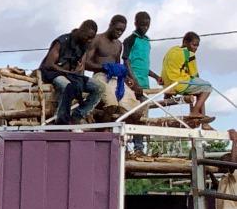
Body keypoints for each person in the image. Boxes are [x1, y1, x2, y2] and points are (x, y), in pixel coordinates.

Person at [39, 20, 103, 125]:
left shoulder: (84, 45)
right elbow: (49, 64)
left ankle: (78, 115)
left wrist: (79, 72)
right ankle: (61, 121)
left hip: (72, 75)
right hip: (53, 73)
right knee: (67, 86)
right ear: (81, 31)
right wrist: (67, 72)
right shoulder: (62, 41)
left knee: (99, 87)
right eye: (88, 37)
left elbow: (81, 65)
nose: (90, 40)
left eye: (92, 38)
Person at [85, 15, 143, 120]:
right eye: (118, 29)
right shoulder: (97, 39)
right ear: (111, 25)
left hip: (116, 79)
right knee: (111, 104)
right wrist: (105, 68)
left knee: (135, 109)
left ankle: (122, 132)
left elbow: (118, 67)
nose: (120, 33)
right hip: (100, 76)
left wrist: (127, 79)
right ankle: (104, 130)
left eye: (122, 31)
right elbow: (86, 63)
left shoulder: (119, 45)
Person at [122, 11, 162, 154]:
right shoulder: (130, 40)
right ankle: (124, 148)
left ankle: (139, 148)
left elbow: (143, 65)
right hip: (131, 86)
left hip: (145, 86)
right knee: (127, 115)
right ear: (136, 24)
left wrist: (156, 77)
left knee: (142, 118)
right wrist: (134, 81)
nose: (145, 27)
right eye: (143, 25)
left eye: (147, 25)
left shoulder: (147, 41)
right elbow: (126, 61)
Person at [161, 31, 213, 117]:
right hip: (179, 84)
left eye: (197, 46)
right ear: (185, 42)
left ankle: (203, 122)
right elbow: (195, 75)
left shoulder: (172, 50)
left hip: (167, 84)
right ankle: (195, 112)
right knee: (207, 87)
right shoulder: (189, 54)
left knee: (200, 88)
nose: (195, 48)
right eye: (194, 45)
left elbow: (165, 65)